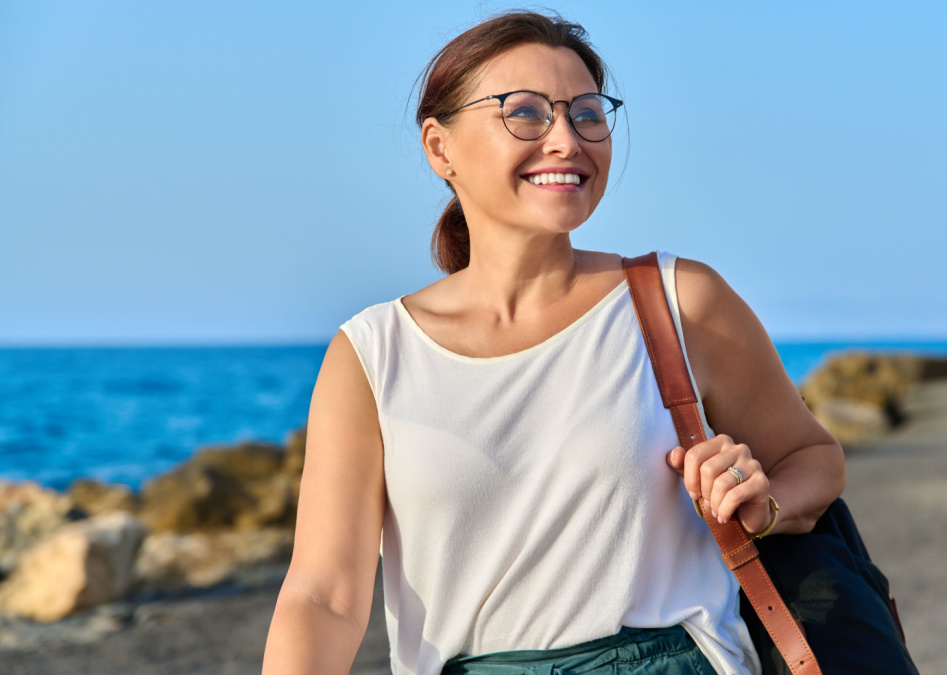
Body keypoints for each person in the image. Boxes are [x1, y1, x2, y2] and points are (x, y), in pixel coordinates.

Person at [262, 12, 845, 675]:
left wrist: (762, 504)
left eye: (587, 113)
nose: (567, 140)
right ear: (439, 146)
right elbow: (324, 596)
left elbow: (813, 457)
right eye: (526, 113)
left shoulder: (679, 301)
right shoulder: (373, 352)